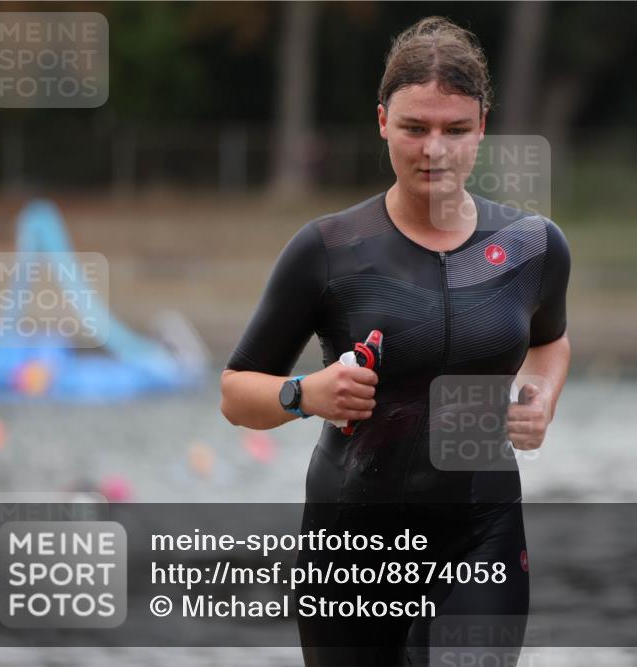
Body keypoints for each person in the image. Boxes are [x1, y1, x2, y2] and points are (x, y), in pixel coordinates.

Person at [220, 16, 570, 667]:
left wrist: (541, 395)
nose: (434, 149)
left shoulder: (534, 248)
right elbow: (238, 393)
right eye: (415, 127)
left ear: (483, 128)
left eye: (455, 130)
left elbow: (551, 341)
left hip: (479, 533)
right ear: (382, 121)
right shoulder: (327, 250)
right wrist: (308, 393)